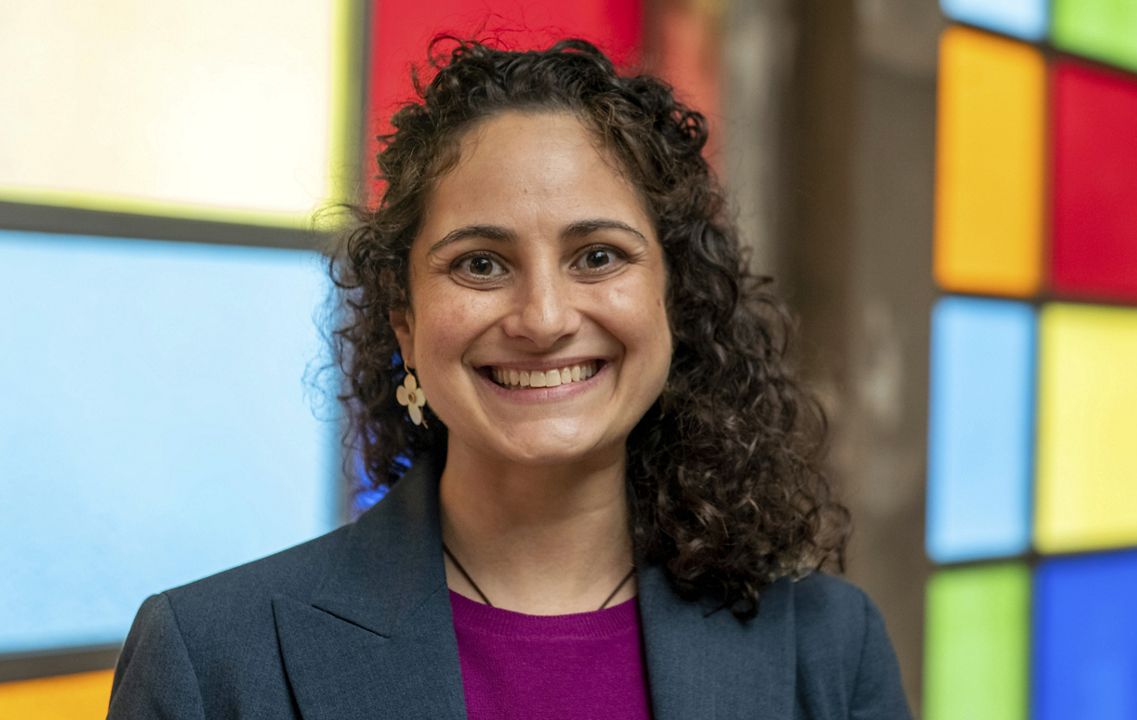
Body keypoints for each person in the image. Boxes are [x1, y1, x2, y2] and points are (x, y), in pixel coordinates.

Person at [108, 38, 912, 719]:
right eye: (480, 264)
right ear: (404, 322)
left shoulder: (828, 648)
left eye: (598, 256)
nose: (543, 317)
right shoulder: (211, 660)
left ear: (674, 300)